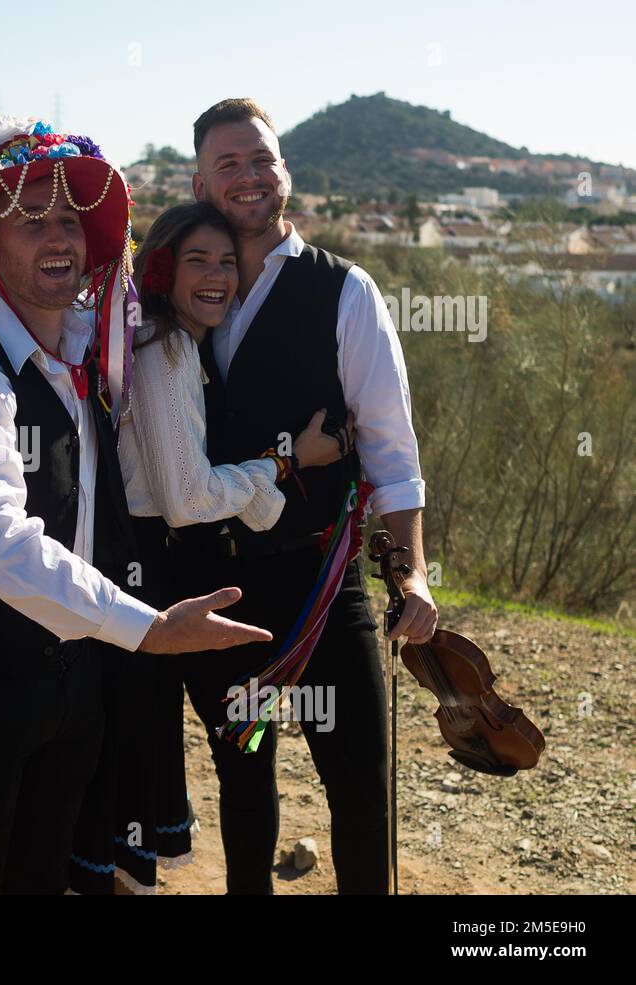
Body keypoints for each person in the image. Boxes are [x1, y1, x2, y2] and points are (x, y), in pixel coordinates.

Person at [0, 117, 274, 895]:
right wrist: (148, 628)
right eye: (30, 218)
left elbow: (161, 321)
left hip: (73, 683)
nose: (57, 234)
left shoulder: (89, 352)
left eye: (69, 219)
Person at [175, 98, 435, 894]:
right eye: (229, 165)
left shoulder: (346, 293)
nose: (249, 178)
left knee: (360, 786)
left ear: (285, 171)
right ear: (199, 182)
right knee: (244, 781)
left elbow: (392, 447)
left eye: (262, 159)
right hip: (218, 583)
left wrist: (415, 574)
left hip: (322, 579)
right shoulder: (179, 296)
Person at [67, 203, 352, 893]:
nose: (218, 275)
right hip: (145, 576)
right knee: (135, 765)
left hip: (146, 572)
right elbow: (189, 498)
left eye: (228, 262)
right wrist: (286, 465)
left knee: (146, 761)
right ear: (161, 266)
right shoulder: (166, 349)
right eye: (198, 260)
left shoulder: (179, 343)